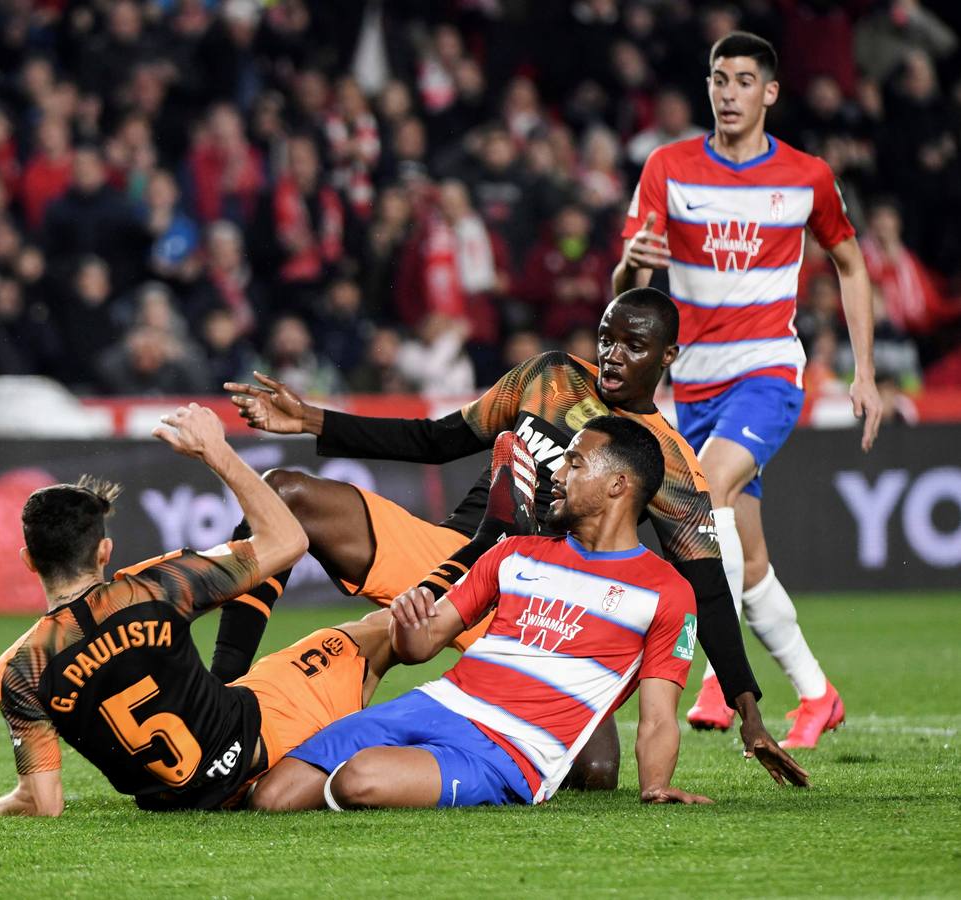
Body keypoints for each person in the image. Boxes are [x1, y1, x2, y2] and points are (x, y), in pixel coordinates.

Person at [225, 287, 808, 789]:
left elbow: (706, 591)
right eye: (606, 337)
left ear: (668, 356)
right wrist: (309, 420)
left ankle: (426, 752)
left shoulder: (669, 461)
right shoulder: (548, 377)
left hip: (541, 622)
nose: (612, 354)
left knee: (598, 773)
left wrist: (748, 712)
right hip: (458, 563)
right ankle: (226, 688)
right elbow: (435, 440)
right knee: (282, 493)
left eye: (633, 345)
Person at [0, 403, 537, 815]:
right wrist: (217, 453)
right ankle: (487, 542)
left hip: (187, 797)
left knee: (350, 645)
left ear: (28, 562)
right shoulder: (150, 589)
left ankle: (476, 535)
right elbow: (286, 542)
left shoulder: (18, 670)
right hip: (264, 735)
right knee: (382, 634)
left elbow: (42, 801)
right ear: (104, 551)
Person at [612, 32, 880, 748]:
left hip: (765, 372)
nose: (726, 93)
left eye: (740, 80)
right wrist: (629, 266)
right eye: (716, 79)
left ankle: (715, 677)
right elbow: (625, 297)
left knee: (705, 496)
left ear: (768, 93)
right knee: (746, 557)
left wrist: (864, 373)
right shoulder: (667, 168)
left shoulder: (805, 176)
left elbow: (850, 267)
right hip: (692, 386)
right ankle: (817, 693)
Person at [251, 417, 710, 810]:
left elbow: (657, 717)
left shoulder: (666, 591)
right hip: (435, 703)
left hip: (511, 754)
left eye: (574, 463)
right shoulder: (513, 551)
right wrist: (410, 624)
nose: (557, 473)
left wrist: (655, 786)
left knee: (360, 778)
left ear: (617, 485)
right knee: (272, 796)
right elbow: (423, 645)